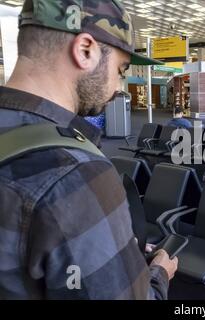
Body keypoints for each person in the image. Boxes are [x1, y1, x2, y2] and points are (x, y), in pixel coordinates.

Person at [0, 0, 177, 299]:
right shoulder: (76, 173)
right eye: (121, 70)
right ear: (85, 50)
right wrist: (158, 274)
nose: (119, 86)